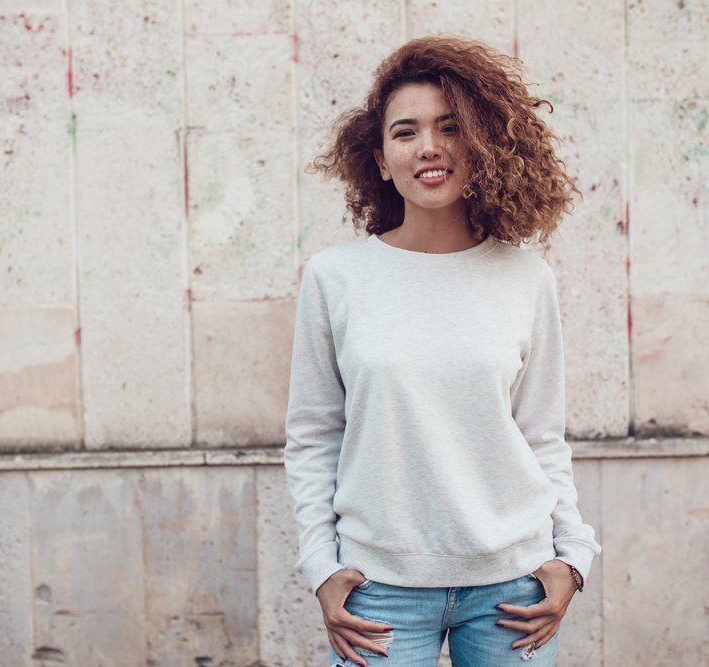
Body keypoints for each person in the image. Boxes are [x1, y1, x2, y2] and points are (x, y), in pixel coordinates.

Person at [283, 34, 602, 666]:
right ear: (381, 161)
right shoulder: (335, 277)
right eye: (405, 132)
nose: (429, 146)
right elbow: (314, 433)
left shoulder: (525, 277)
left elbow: (541, 435)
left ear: (480, 144)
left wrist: (573, 558)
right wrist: (321, 564)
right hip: (380, 589)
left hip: (514, 586)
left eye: (450, 127)